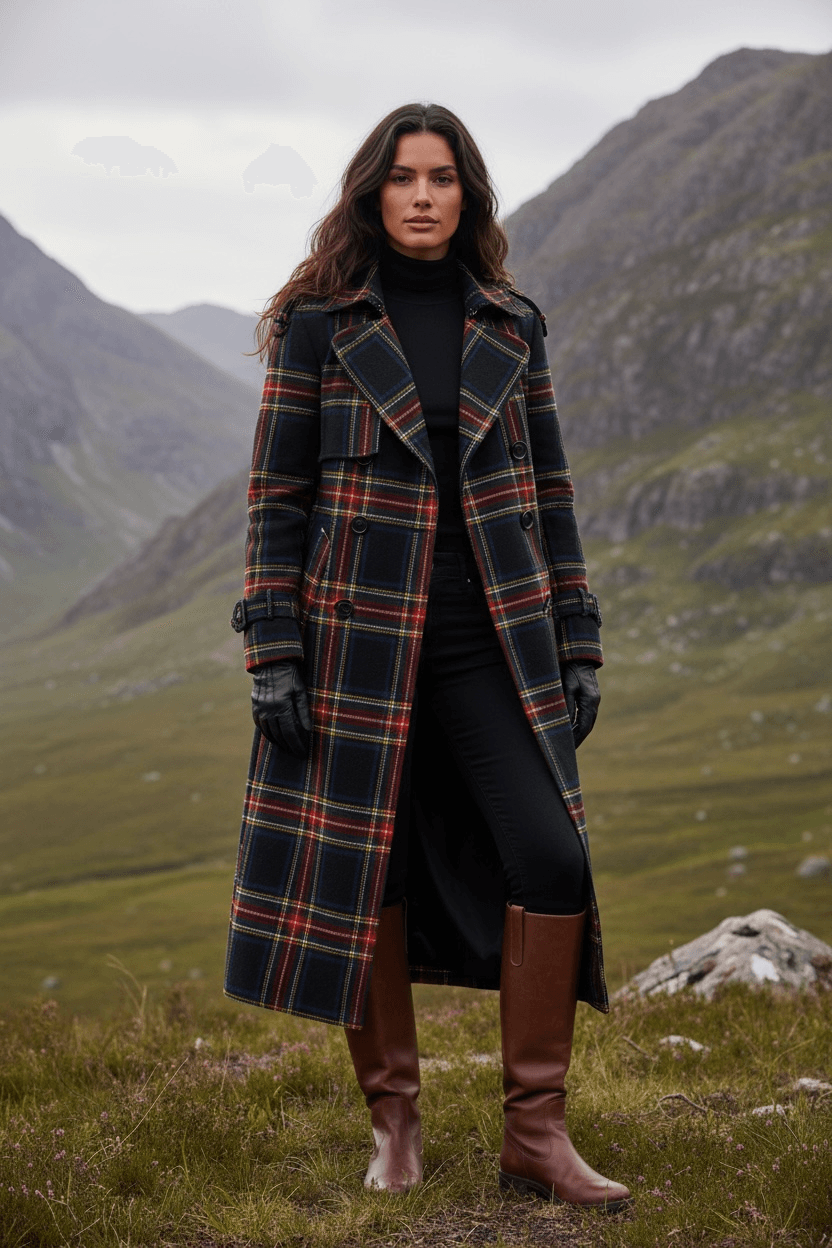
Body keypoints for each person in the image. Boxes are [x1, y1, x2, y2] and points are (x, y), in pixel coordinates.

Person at [225, 102, 630, 1212]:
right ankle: (394, 1123)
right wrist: (272, 647)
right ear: (373, 193)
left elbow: (550, 492)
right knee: (373, 871)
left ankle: (535, 1135)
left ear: (467, 194)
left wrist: (578, 635)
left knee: (551, 859)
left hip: (491, 635)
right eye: (402, 177)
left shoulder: (511, 324)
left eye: (441, 177)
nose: (421, 196)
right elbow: (277, 496)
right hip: (354, 640)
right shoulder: (320, 326)